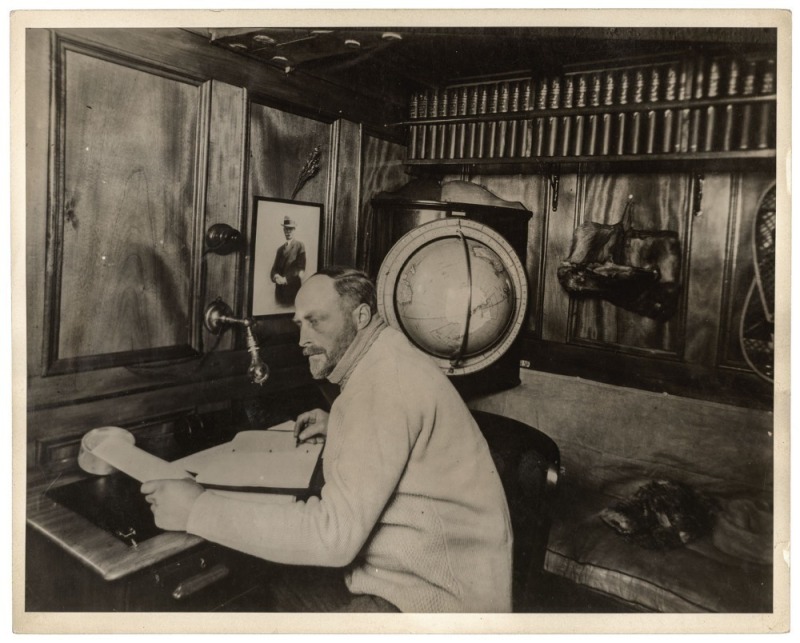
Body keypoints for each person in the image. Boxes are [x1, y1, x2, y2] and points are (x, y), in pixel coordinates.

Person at [141, 267, 513, 613]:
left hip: (428, 607)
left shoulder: (381, 388)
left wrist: (197, 509)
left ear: (361, 316)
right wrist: (341, 424)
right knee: (273, 581)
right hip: (444, 580)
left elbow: (332, 538)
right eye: (300, 324)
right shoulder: (388, 357)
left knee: (252, 589)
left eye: (317, 322)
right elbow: (395, 427)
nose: (304, 339)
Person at [270, 215, 306, 306]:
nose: (288, 231)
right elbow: (274, 269)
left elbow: (300, 268)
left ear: (294, 230)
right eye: (286, 229)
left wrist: (285, 279)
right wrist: (276, 276)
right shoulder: (280, 249)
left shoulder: (300, 246)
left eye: (291, 229)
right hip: (279, 293)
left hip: (293, 291)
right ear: (283, 230)